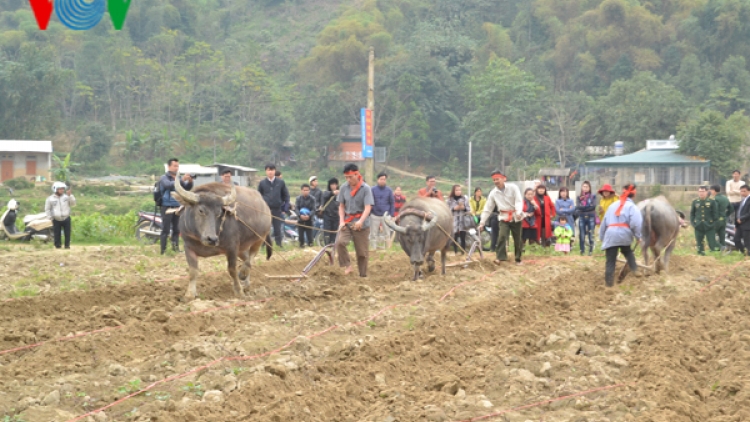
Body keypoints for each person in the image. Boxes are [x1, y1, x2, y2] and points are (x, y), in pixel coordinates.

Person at [478, 170, 525, 265]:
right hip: (503, 217)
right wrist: (482, 222)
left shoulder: (513, 188)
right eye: (494, 180)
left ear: (504, 179)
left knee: (517, 239)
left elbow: (518, 201)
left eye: (497, 179)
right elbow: (488, 208)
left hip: (516, 216)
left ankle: (518, 259)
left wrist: (519, 211)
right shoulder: (493, 193)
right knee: (502, 236)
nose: (496, 181)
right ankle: (500, 257)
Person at [600, 183, 642, 287]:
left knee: (610, 261)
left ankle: (609, 285)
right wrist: (638, 236)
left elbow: (603, 223)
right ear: (634, 195)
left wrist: (602, 237)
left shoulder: (612, 206)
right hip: (624, 234)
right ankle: (635, 269)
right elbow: (635, 223)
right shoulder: (632, 207)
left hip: (610, 235)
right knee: (628, 252)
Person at [336, 163, 374, 277]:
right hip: (347, 221)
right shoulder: (343, 187)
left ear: (357, 174)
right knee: (340, 242)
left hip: (361, 223)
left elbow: (368, 207)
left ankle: (363, 275)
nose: (348, 180)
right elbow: (341, 206)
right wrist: (341, 221)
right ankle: (348, 265)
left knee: (362, 253)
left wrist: (360, 221)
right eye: (346, 177)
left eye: (350, 177)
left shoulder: (366, 188)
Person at [158, 158, 194, 254]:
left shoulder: (178, 178)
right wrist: (181, 180)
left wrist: (190, 181)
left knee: (176, 229)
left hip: (177, 207)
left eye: (177, 166)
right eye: (174, 166)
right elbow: (167, 185)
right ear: (169, 166)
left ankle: (175, 249)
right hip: (166, 206)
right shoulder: (164, 178)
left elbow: (187, 188)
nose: (176, 168)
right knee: (165, 229)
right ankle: (163, 251)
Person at [258, 164, 290, 248]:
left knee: (277, 228)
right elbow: (258, 196)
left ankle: (279, 245)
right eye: (268, 170)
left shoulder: (280, 182)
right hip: (265, 210)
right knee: (265, 228)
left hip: (277, 209)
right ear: (266, 171)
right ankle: (263, 246)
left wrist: (285, 208)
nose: (270, 172)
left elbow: (286, 196)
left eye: (272, 170)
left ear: (275, 171)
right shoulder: (262, 183)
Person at [45, 181, 76, 249]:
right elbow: (47, 209)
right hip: (56, 219)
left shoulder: (66, 197)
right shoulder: (50, 199)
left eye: (62, 188)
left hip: (66, 218)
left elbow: (73, 204)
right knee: (57, 233)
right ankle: (57, 246)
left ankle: (67, 246)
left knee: (67, 233)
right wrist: (50, 218)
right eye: (60, 189)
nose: (62, 190)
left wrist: (70, 195)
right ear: (55, 189)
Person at [690, 186, 719, 255]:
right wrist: (693, 223)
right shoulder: (695, 202)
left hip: (709, 225)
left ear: (706, 192)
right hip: (698, 225)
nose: (701, 193)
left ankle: (714, 255)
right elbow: (692, 214)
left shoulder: (712, 202)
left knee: (712, 242)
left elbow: (715, 214)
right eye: (699, 192)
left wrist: (713, 224)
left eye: (703, 191)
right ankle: (701, 254)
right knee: (699, 242)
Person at [370, 172, 395, 249]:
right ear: (378, 180)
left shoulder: (389, 190)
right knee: (373, 234)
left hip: (385, 215)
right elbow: (370, 202)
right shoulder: (372, 189)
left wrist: (391, 214)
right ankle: (373, 249)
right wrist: (370, 213)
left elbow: (392, 202)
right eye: (381, 179)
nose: (383, 181)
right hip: (374, 215)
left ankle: (387, 249)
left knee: (387, 233)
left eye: (384, 179)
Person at [576, 181, 599, 256]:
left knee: (590, 234)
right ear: (582, 188)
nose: (585, 188)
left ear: (589, 188)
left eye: (587, 187)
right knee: (582, 235)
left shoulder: (593, 196)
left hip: (591, 217)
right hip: (582, 217)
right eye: (584, 187)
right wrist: (588, 207)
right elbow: (578, 207)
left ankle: (590, 251)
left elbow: (593, 206)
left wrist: (583, 208)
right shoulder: (579, 197)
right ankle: (582, 251)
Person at [447, 185, 470, 254]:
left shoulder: (465, 198)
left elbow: (468, 209)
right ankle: (455, 251)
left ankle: (463, 251)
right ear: (453, 191)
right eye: (457, 190)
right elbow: (447, 210)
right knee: (454, 237)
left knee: (463, 236)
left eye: (460, 190)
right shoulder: (449, 200)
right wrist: (454, 209)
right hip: (454, 220)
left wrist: (464, 208)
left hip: (463, 220)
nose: (458, 191)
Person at [711, 184, 732, 251]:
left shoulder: (715, 199)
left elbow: (715, 210)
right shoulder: (725, 198)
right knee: (722, 236)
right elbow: (731, 208)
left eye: (711, 190)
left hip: (717, 221)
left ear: (714, 190)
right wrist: (725, 215)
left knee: (710, 235)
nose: (711, 192)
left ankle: (720, 247)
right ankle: (722, 250)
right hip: (724, 220)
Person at [320, 178, 340, 245]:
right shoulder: (326, 193)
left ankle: (333, 245)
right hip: (327, 216)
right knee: (327, 232)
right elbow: (325, 195)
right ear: (329, 185)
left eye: (335, 184)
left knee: (334, 232)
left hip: (336, 216)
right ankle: (327, 245)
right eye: (332, 184)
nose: (334, 186)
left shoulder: (340, 194)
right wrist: (332, 193)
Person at [736, 185, 750, 255]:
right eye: (741, 191)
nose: (742, 193)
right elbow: (739, 212)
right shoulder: (743, 200)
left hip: (747, 224)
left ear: (749, 191)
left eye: (744, 191)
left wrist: (741, 218)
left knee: (747, 242)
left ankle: (748, 256)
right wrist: (736, 224)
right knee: (736, 239)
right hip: (740, 224)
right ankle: (744, 253)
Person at [309, 176, 324, 240]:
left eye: (316, 181)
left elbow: (322, 201)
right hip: (309, 211)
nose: (316, 182)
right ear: (311, 182)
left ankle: (312, 238)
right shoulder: (308, 191)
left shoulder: (319, 191)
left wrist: (321, 206)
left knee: (318, 223)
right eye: (314, 181)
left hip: (317, 211)